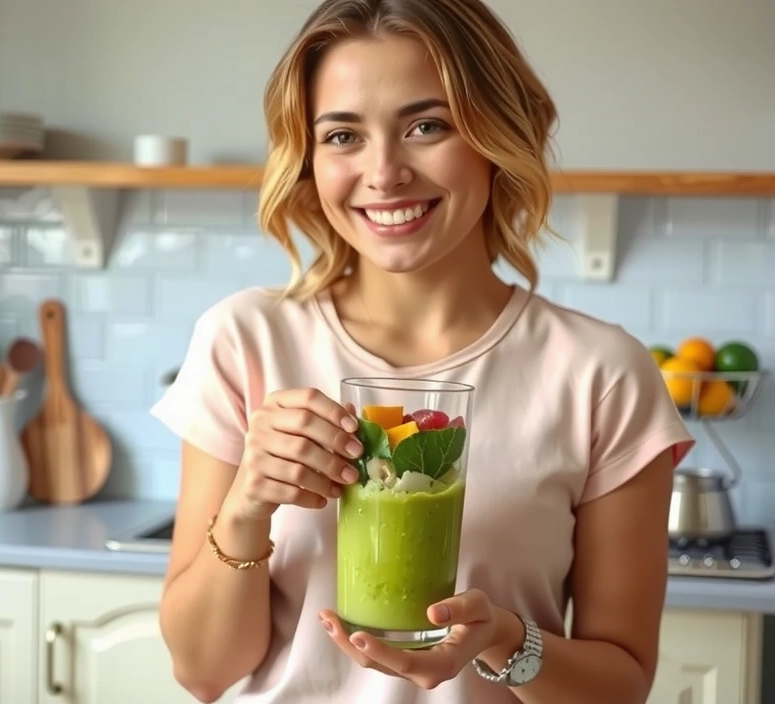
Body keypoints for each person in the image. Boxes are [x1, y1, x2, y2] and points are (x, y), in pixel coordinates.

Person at [150, 0, 695, 702]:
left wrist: (503, 641)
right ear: (309, 160)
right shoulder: (246, 340)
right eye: (343, 135)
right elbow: (201, 670)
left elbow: (619, 687)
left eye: (426, 126)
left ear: (498, 134)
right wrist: (247, 506)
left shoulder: (602, 374)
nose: (384, 173)